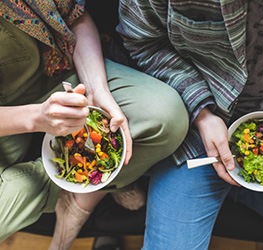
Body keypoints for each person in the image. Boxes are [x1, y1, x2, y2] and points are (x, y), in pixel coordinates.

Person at [117, 0, 263, 249]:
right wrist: (202, 114)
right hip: (195, 128)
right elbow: (143, 40)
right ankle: (249, 188)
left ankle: (245, 188)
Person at [0, 0, 189, 249]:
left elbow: (76, 17)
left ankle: (79, 197)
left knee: (166, 116)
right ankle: (83, 189)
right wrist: (34, 118)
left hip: (57, 69)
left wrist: (97, 90)